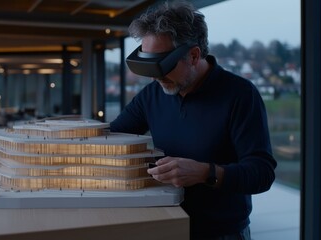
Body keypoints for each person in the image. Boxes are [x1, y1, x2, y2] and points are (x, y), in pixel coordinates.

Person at [109, 1, 277, 239]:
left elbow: (262, 173)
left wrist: (205, 172)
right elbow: (113, 137)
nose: (156, 77)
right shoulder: (153, 94)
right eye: (149, 67)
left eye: (163, 66)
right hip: (165, 225)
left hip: (221, 232)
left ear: (194, 55)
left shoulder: (240, 94)